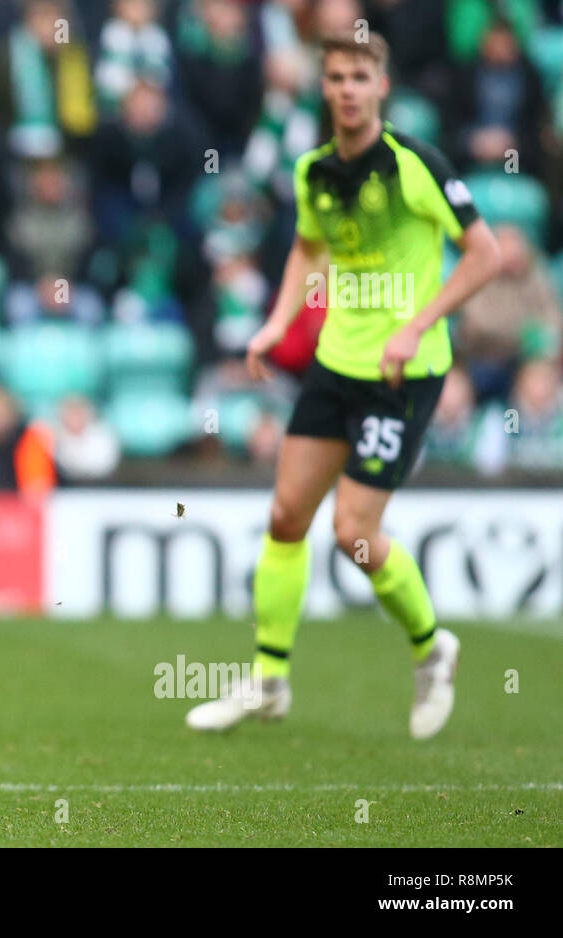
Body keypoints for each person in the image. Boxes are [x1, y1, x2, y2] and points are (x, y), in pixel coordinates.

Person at [186, 32, 501, 739]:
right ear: (323, 86)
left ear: (381, 86)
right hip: (337, 364)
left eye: (360, 76)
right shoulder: (312, 172)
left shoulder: (415, 164)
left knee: (354, 535)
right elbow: (307, 248)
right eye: (336, 77)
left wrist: (416, 325)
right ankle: (268, 680)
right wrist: (274, 325)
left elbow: (487, 255)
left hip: (403, 374)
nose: (349, 88)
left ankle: (431, 647)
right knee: (285, 519)